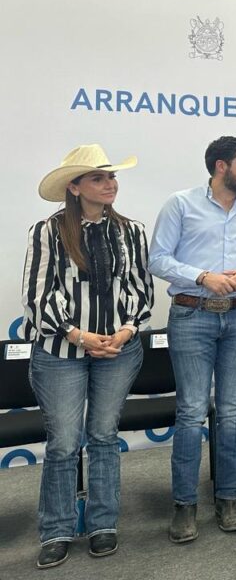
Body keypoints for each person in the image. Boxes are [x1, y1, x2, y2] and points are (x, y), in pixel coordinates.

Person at [23, 145, 152, 570]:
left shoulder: (131, 232)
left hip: (118, 348)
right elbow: (37, 296)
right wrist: (78, 335)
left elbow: (140, 290)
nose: (110, 184)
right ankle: (57, 530)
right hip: (61, 352)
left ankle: (102, 524)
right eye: (98, 178)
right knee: (63, 442)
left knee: (102, 435)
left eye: (111, 177)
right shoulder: (47, 231)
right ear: (75, 187)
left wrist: (126, 331)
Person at [149, 136, 236, 543]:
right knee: (190, 411)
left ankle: (230, 498)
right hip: (192, 314)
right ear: (221, 166)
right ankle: (184, 504)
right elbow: (157, 258)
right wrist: (202, 276)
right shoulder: (180, 204)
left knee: (233, 410)